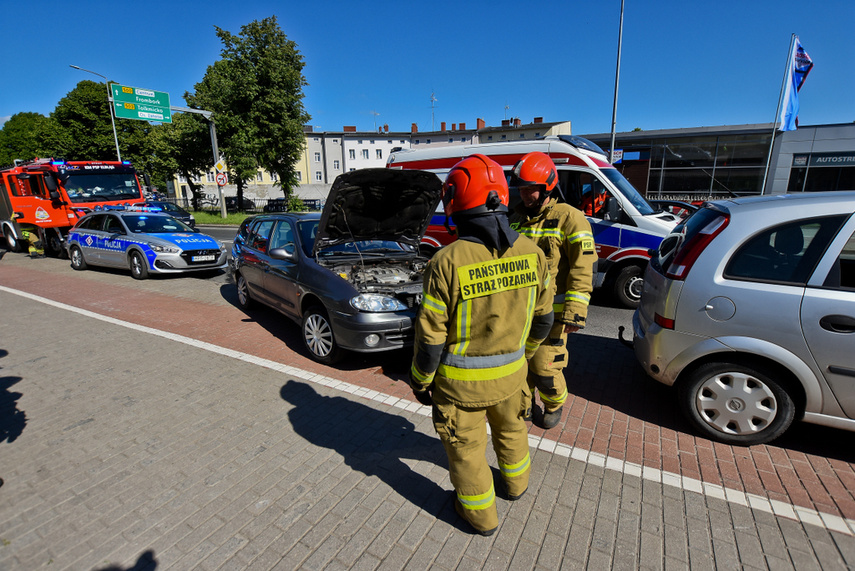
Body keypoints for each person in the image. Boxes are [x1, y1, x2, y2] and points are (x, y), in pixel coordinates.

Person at [409, 154, 554, 537]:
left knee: (468, 450)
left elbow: (430, 338)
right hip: (513, 379)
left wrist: (420, 381)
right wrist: (525, 354)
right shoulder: (532, 254)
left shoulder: (445, 261)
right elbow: (544, 319)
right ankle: (517, 486)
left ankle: (480, 517)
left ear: (455, 202)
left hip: (461, 389)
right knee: (512, 432)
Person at [508, 152, 597, 429]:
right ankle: (523, 406)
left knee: (544, 367)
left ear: (547, 186)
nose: (524, 194)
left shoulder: (569, 218)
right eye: (521, 188)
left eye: (530, 188)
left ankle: (553, 402)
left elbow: (583, 267)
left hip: (553, 315)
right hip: (518, 313)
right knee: (518, 366)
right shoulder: (514, 219)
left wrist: (575, 312)